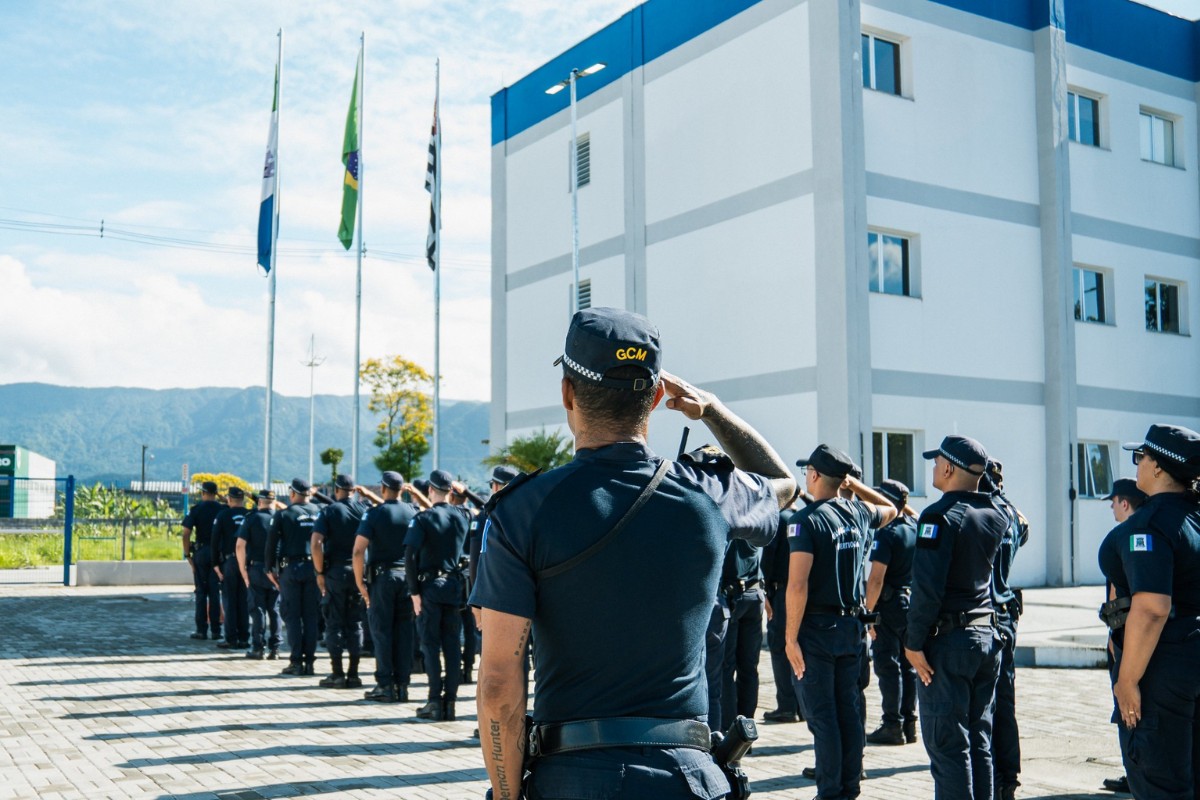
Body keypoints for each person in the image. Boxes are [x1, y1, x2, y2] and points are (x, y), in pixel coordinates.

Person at [472, 307, 794, 800]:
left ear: (567, 393)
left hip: (571, 779)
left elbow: (498, 686)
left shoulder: (522, 511)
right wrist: (711, 409)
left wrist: (509, 795)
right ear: (659, 395)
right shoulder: (707, 492)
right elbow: (785, 485)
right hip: (686, 778)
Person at [785, 445, 897, 800]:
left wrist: (790, 639)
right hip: (852, 630)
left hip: (817, 631)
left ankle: (830, 792)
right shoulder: (858, 512)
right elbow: (892, 509)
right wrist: (855, 486)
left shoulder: (805, 520)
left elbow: (798, 585)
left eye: (808, 472)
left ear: (815, 476)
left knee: (824, 718)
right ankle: (849, 788)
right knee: (848, 712)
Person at [1098, 424, 1200, 800]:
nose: (1137, 465)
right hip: (1190, 655)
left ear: (1158, 468)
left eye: (1140, 457)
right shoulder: (1194, 516)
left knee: (1161, 784)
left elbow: (1153, 607)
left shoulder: (1151, 523)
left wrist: (1127, 681)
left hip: (1162, 665)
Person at [905, 435, 1008, 800]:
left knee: (948, 748)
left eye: (936, 462)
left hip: (948, 644)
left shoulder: (939, 515)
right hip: (986, 636)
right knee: (978, 741)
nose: (933, 468)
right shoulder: (996, 513)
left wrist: (913, 643)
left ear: (949, 467)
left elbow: (926, 589)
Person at [406, 468, 472, 721]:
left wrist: (414, 593)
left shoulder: (424, 518)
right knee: (453, 645)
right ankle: (451, 703)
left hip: (430, 587)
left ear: (431, 490)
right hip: (454, 586)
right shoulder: (463, 516)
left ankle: (434, 701)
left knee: (431, 645)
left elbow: (410, 556)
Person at [983, 460, 1030, 800]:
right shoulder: (1013, 513)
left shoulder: (981, 513)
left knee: (985, 703)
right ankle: (1007, 778)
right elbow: (1025, 530)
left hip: (985, 614)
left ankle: (995, 779)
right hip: (1006, 613)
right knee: (1005, 699)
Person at [354, 471, 422, 703]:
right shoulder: (413, 512)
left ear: (383, 489)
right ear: (402, 489)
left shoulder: (374, 514)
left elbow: (358, 550)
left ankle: (385, 685)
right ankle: (402, 685)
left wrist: (360, 583)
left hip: (382, 579)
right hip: (407, 578)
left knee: (382, 632)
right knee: (404, 633)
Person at [1099, 478, 1147, 796]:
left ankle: (1136, 774)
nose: (1113, 509)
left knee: (1128, 712)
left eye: (1114, 503)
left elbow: (1119, 597)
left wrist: (1115, 641)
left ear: (1124, 503)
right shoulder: (1152, 532)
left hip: (1129, 639)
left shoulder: (1123, 538)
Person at [863, 479, 918, 746]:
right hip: (909, 604)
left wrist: (868, 614)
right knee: (908, 666)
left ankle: (892, 724)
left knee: (888, 664)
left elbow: (875, 580)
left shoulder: (888, 532)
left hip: (888, 605)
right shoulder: (914, 528)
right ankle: (909, 723)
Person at [312, 474, 369, 690]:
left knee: (334, 622)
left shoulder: (329, 511)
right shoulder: (363, 510)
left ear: (336, 490)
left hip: (334, 571)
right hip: (357, 571)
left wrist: (319, 572)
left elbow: (316, 543)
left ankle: (337, 673)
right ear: (354, 490)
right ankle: (353, 674)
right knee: (354, 622)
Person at [267, 478, 322, 676]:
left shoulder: (284, 514)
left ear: (292, 493)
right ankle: (310, 662)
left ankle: (296, 661)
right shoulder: (319, 512)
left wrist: (269, 569)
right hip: (314, 568)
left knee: (292, 616)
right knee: (311, 616)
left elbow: (271, 544)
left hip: (291, 569)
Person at [761, 495, 808, 723]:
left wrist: (766, 591)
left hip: (781, 592)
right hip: (804, 593)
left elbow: (768, 559)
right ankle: (800, 704)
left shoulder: (778, 519)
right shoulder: (805, 517)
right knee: (798, 645)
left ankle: (787, 705)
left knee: (780, 648)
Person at [237, 489, 282, 660]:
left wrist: (243, 570)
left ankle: (258, 648)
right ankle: (276, 649)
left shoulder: (252, 519)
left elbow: (240, 545)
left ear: (259, 502)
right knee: (275, 609)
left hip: (256, 568)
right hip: (277, 569)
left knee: (258, 610)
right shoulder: (281, 517)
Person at [182, 481, 223, 641]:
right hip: (216, 555)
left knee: (201, 592)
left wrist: (188, 555)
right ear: (216, 493)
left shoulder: (196, 509)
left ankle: (201, 630)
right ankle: (216, 630)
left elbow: (186, 533)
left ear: (202, 493)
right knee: (214, 593)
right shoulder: (222, 509)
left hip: (200, 553)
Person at [212, 486, 250, 651]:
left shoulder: (223, 515)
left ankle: (231, 638)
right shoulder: (250, 514)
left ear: (229, 499)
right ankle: (244, 638)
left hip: (230, 562)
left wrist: (215, 565)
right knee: (244, 601)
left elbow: (214, 541)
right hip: (247, 562)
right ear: (243, 499)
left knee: (229, 601)